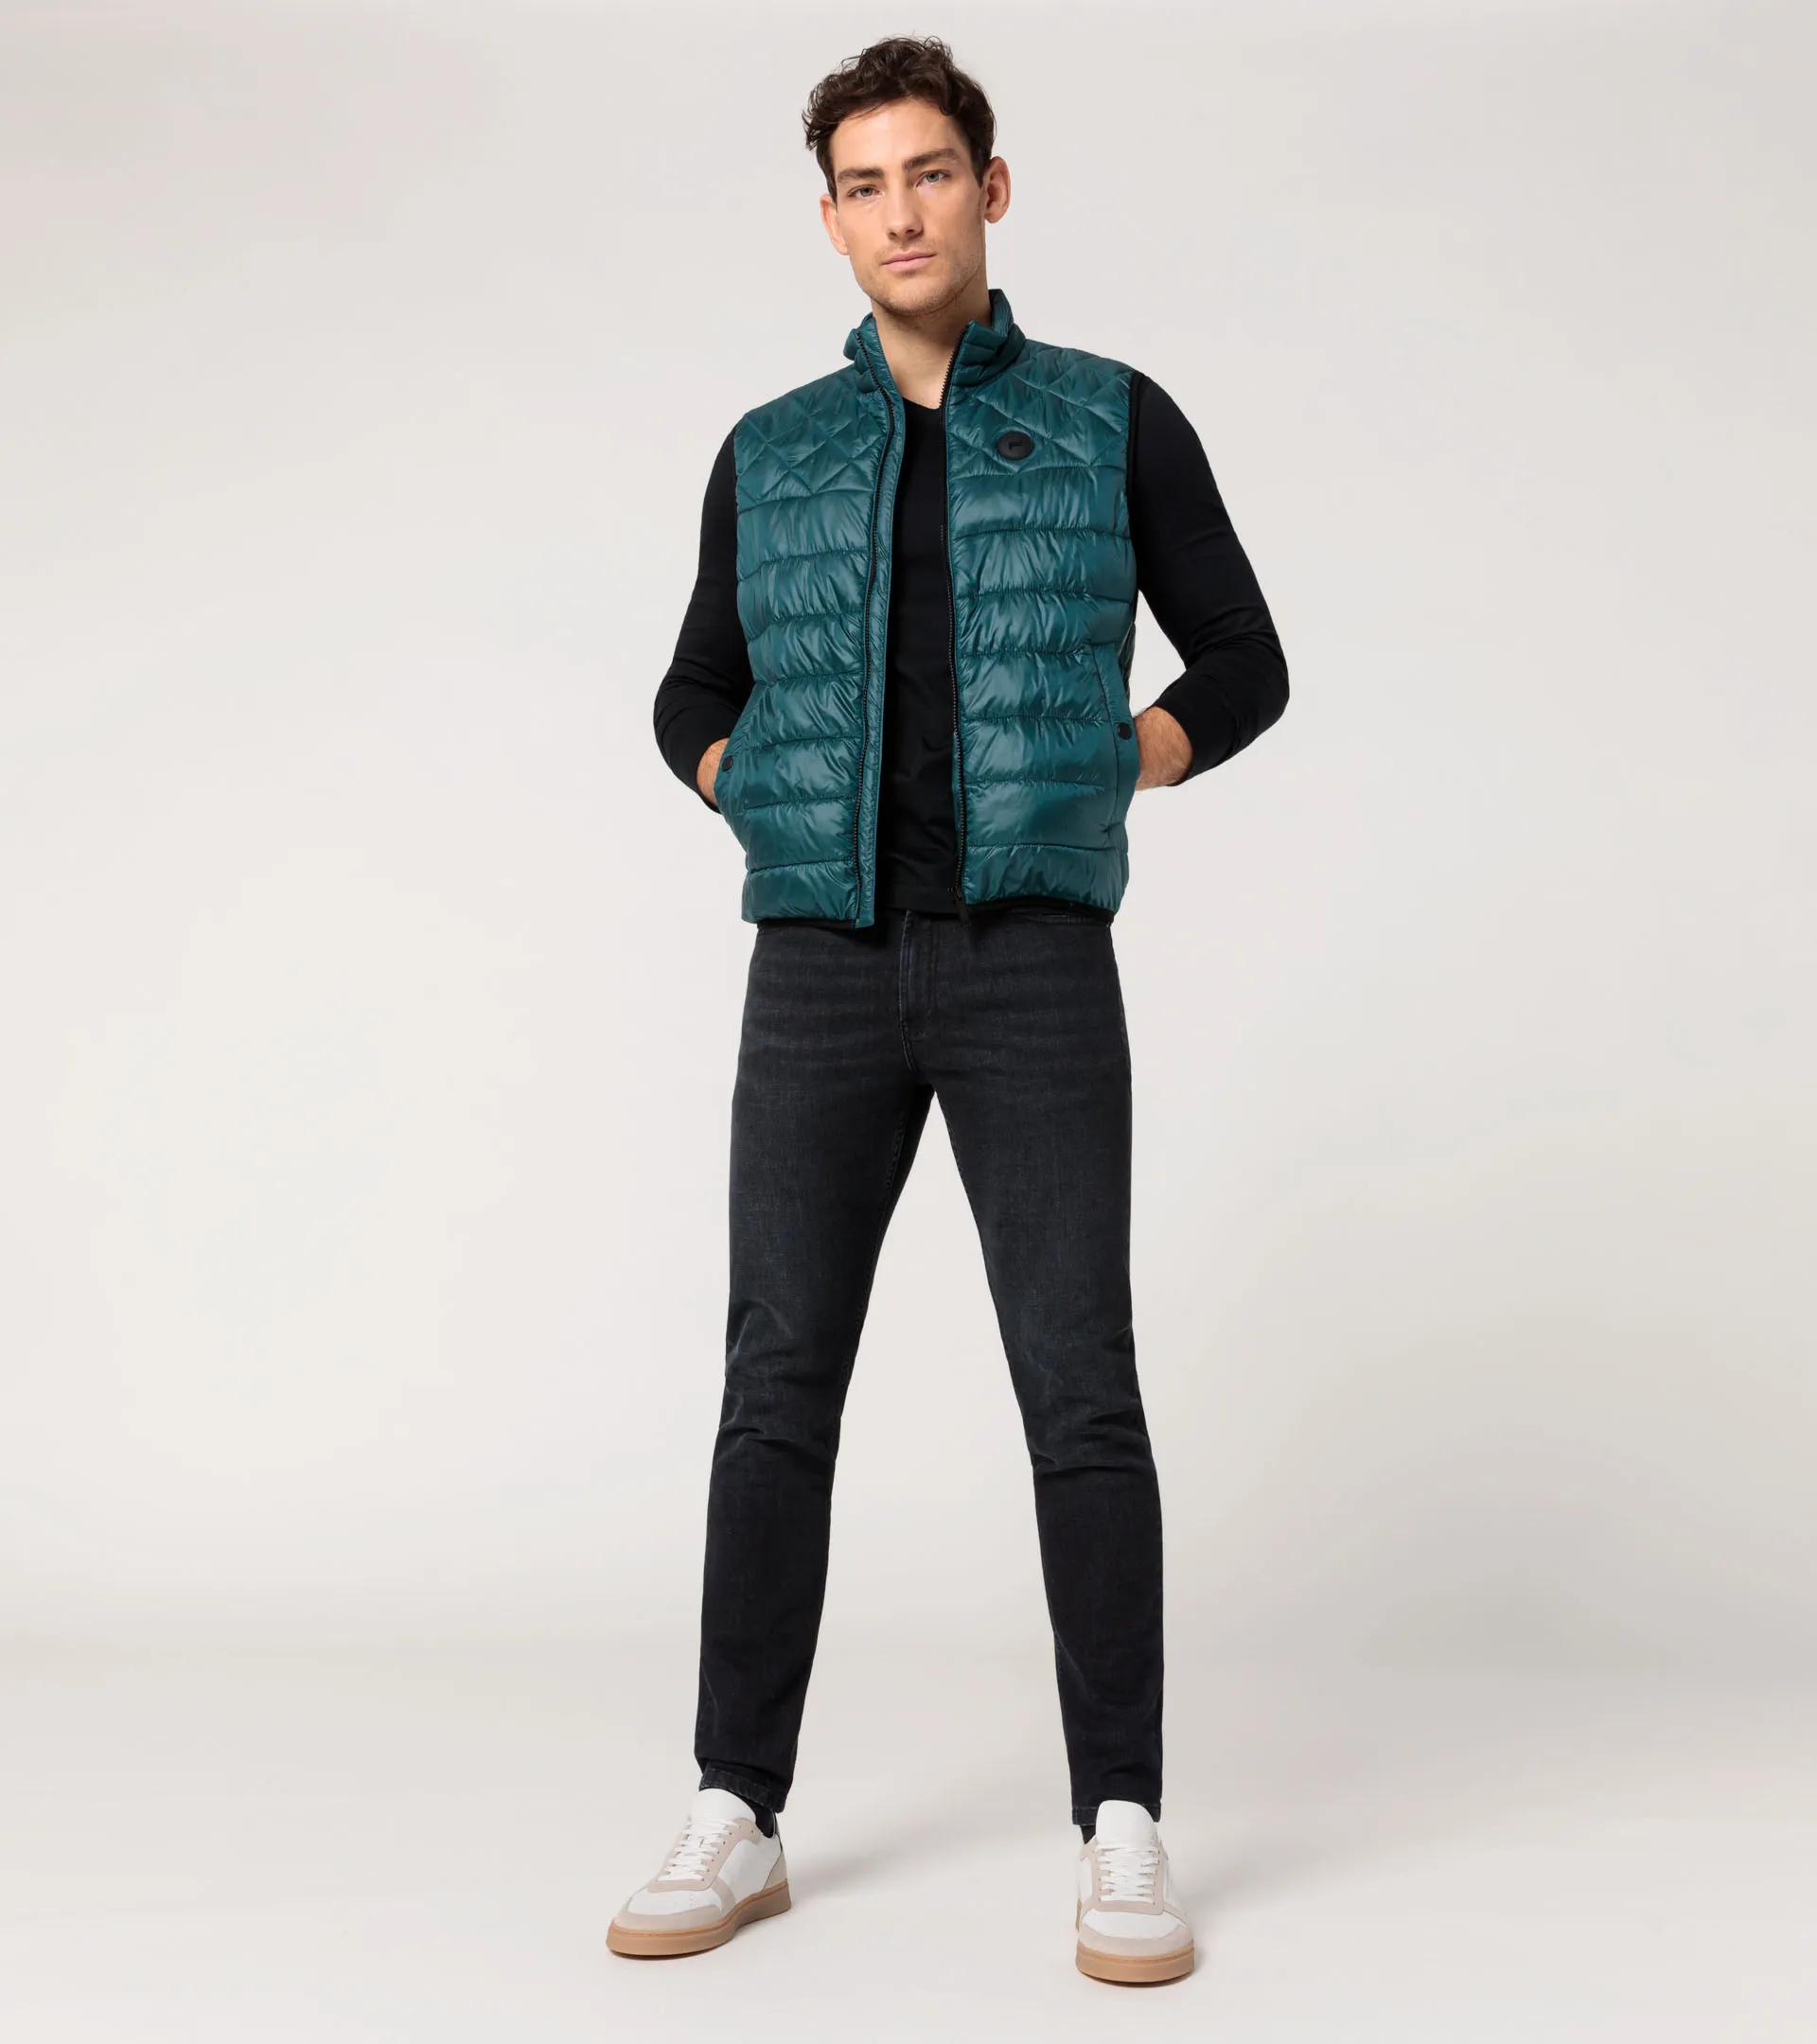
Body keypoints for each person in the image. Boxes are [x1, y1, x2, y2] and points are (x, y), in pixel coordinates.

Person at [610, 35, 1288, 1984]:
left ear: (992, 189)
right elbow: (689, 689)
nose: (899, 212)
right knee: (776, 1386)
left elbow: (1245, 659)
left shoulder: (1110, 421)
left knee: (1081, 1386)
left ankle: (1124, 1824)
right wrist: (749, 784)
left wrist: (1116, 764)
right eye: (863, 184)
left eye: (929, 173)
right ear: (828, 220)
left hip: (1030, 964)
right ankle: (738, 1809)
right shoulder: (773, 451)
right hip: (818, 971)